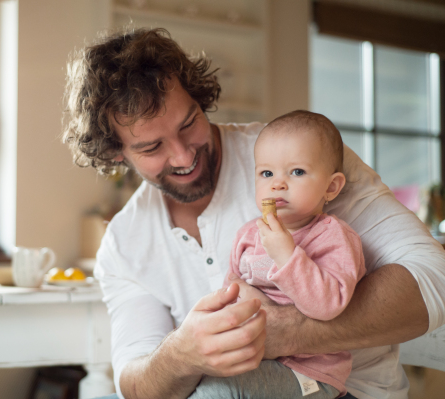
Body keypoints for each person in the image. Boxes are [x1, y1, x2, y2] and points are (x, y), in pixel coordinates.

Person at [62, 27, 445, 399]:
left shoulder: (302, 162)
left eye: (189, 122)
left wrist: (290, 331)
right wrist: (179, 355)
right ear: (116, 153)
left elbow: (436, 276)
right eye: (151, 147)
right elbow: (136, 379)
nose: (183, 156)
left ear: (200, 99)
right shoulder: (124, 242)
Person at [190, 110, 365, 399]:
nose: (278, 183)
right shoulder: (248, 234)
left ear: (331, 187)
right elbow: (230, 289)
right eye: (267, 173)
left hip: (310, 373)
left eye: (297, 172)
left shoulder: (333, 236)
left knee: (218, 391)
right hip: (254, 360)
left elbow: (329, 305)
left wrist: (287, 255)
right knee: (193, 379)